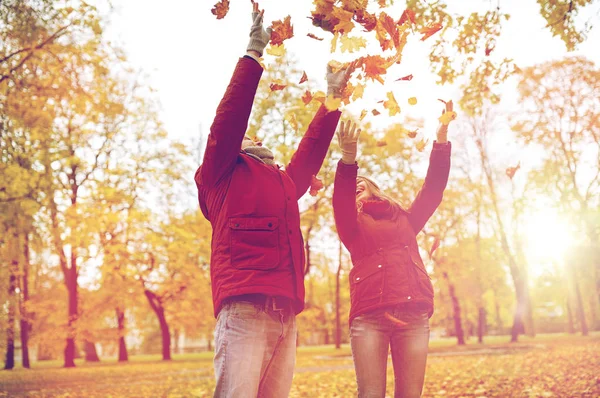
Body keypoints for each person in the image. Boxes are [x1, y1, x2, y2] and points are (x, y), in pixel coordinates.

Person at [194, 3, 352, 397]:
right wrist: (253, 55)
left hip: (285, 312)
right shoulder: (220, 174)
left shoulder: (282, 183)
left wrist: (332, 98)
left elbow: (310, 152)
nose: (256, 136)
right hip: (244, 307)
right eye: (250, 137)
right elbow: (230, 120)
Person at [332, 103, 454, 398]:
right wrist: (349, 160)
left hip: (413, 314)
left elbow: (433, 190)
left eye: (361, 184)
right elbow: (341, 200)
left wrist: (440, 140)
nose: (355, 187)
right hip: (370, 316)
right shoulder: (352, 224)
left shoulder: (406, 219)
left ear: (373, 188)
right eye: (352, 187)